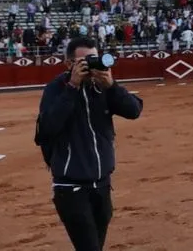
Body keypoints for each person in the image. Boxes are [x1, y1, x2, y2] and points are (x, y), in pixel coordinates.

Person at [36, 37, 143, 251]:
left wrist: (112, 86)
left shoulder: (103, 87)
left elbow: (134, 111)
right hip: (71, 187)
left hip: (102, 184)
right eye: (84, 61)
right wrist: (72, 87)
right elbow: (45, 130)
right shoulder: (56, 88)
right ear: (69, 64)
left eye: (94, 58)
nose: (91, 64)